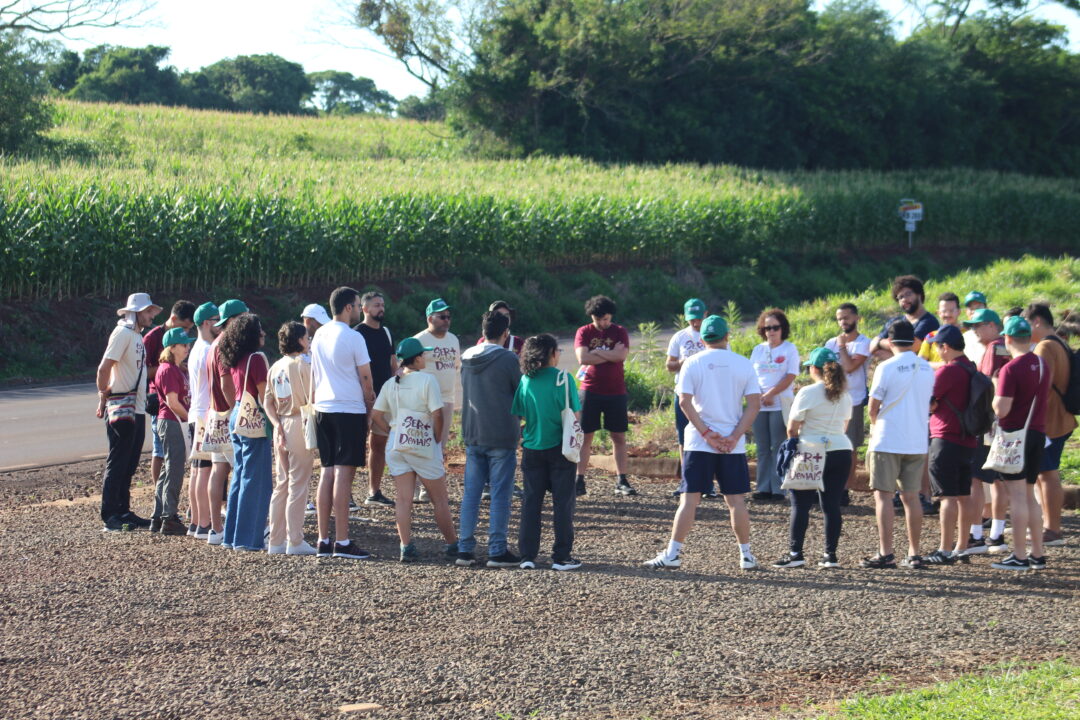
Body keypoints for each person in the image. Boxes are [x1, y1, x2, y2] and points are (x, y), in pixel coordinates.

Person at [644, 315, 762, 571]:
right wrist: (734, 436)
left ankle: (673, 553)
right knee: (736, 501)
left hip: (699, 442)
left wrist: (707, 434)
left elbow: (684, 402)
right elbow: (754, 405)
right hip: (732, 444)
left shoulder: (692, 362)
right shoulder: (743, 363)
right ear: (727, 336)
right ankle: (746, 555)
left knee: (689, 500)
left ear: (702, 339)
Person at [370, 338, 459, 562]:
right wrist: (437, 438)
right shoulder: (428, 380)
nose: (426, 357)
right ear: (417, 358)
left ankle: (406, 546)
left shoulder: (391, 383)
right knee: (440, 499)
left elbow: (376, 415)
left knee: (403, 499)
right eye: (423, 354)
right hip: (422, 442)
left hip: (397, 443)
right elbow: (437, 413)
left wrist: (391, 431)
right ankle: (452, 545)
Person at [860, 320, 935, 570]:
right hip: (917, 440)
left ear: (890, 342)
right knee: (912, 497)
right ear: (914, 341)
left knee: (883, 496)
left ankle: (886, 552)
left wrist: (875, 426)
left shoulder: (886, 367)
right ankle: (914, 553)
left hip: (888, 438)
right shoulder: (926, 368)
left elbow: (873, 407)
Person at [310, 287, 376, 560]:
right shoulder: (354, 337)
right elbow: (366, 378)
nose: (359, 309)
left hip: (323, 407)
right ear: (348, 307)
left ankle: (323, 539)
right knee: (343, 475)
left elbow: (314, 374)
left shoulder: (318, 335)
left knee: (326, 471)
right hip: (348, 408)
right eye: (358, 305)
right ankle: (343, 541)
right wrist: (370, 408)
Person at [772, 348, 852, 569]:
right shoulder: (845, 394)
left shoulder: (808, 392)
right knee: (831, 505)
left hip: (811, 449)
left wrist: (794, 445)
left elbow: (792, 427)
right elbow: (844, 426)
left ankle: (796, 553)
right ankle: (830, 555)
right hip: (841, 449)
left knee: (801, 504)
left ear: (814, 369)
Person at [458, 311, 523, 568]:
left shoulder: (466, 356)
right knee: (500, 494)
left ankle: (465, 549)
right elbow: (520, 393)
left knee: (471, 494)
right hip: (501, 432)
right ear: (506, 333)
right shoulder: (508, 358)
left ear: (482, 331)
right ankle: (497, 550)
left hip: (473, 432)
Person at [514, 334, 583, 570]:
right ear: (552, 353)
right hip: (561, 448)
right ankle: (561, 557)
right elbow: (575, 414)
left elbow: (520, 412)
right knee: (563, 503)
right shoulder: (563, 379)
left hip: (532, 447)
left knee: (531, 503)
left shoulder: (526, 379)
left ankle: (527, 556)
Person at [96, 293, 160, 532]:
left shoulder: (136, 335)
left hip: (137, 406)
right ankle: (110, 514)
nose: (151, 316)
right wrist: (103, 394)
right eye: (148, 312)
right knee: (118, 460)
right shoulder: (122, 333)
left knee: (130, 461)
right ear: (136, 312)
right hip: (123, 406)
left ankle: (123, 510)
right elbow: (104, 368)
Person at [990, 316, 1050, 571]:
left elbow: (1001, 409)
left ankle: (1019, 555)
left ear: (1007, 338)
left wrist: (995, 387)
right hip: (1037, 433)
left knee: (1016, 496)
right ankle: (1037, 553)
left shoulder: (1010, 369)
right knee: (1029, 494)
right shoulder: (1042, 363)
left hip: (1015, 436)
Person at [922, 326, 978, 565]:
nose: (937, 352)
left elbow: (927, 402)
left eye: (937, 347)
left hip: (945, 438)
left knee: (947, 497)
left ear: (945, 347)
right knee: (964, 495)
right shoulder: (971, 367)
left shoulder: (947, 371)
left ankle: (944, 550)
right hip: (968, 440)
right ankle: (961, 547)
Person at [217, 313, 273, 552]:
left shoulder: (237, 358)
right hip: (254, 417)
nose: (263, 333)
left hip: (238, 414)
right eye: (259, 329)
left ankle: (232, 535)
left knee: (240, 476)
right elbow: (265, 395)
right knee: (256, 479)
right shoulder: (256, 359)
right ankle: (248, 539)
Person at [574, 295, 636, 497]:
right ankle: (579, 479)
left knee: (618, 436)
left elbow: (621, 355)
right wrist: (609, 354)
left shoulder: (619, 331)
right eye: (598, 319)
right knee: (586, 436)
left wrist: (596, 353)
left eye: (606, 319)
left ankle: (622, 480)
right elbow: (582, 358)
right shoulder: (584, 331)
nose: (602, 323)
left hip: (616, 391)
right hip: (589, 390)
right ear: (592, 316)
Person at [1024, 302, 1076, 548]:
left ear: (1036, 322)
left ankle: (1053, 528)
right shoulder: (1060, 342)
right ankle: (1048, 524)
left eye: (1027, 324)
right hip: (1059, 417)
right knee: (1045, 473)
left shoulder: (1045, 346)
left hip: (1049, 420)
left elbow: (1040, 385)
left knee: (1048, 474)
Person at [264, 322, 318, 556]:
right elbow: (314, 395)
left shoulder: (275, 367)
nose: (309, 342)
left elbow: (267, 402)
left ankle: (276, 540)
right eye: (306, 338)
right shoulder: (303, 365)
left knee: (282, 483)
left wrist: (276, 425)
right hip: (300, 421)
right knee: (298, 483)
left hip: (281, 424)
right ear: (299, 340)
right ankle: (295, 540)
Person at [957, 307, 1006, 556]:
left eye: (978, 325)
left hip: (988, 423)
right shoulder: (1007, 346)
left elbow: (986, 388)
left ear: (992, 325)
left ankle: (976, 534)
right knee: (998, 479)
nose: (974, 330)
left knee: (977, 478)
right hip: (1007, 423)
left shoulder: (994, 349)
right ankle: (997, 533)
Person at [204, 298, 248, 546]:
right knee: (243, 470)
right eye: (243, 317)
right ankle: (243, 526)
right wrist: (236, 411)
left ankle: (216, 528)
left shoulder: (214, 343)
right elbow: (226, 382)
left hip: (215, 414)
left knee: (219, 470)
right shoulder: (226, 343)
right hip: (226, 413)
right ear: (232, 320)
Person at [142, 300, 196, 497]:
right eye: (183, 327)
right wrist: (170, 365)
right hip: (159, 400)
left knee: (176, 454)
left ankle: (166, 498)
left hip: (180, 400)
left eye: (189, 329)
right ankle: (161, 498)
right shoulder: (152, 338)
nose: (186, 332)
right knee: (160, 451)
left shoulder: (182, 341)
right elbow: (141, 371)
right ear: (173, 319)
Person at [413, 298, 461, 502]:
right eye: (442, 316)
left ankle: (429, 489)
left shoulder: (453, 339)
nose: (446, 320)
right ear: (430, 318)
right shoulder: (419, 340)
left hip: (447, 400)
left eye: (448, 316)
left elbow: (456, 365)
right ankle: (414, 487)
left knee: (439, 446)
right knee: (420, 444)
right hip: (424, 401)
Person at [749, 308, 799, 501]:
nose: (771, 331)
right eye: (767, 328)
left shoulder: (789, 349)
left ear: (782, 328)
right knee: (762, 448)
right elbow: (751, 375)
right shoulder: (758, 350)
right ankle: (763, 487)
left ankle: (779, 488)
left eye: (775, 327)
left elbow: (791, 375)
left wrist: (771, 393)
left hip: (780, 404)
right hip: (759, 404)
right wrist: (760, 395)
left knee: (779, 446)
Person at [354, 291, 397, 508]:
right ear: (365, 308)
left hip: (385, 399)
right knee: (355, 447)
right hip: (360, 400)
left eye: (382, 304)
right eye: (376, 305)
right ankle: (346, 495)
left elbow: (393, 364)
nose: (381, 308)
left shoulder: (386, 333)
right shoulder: (356, 334)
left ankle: (374, 492)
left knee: (378, 445)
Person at [152, 327, 196, 536]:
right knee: (174, 470)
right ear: (172, 347)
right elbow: (172, 402)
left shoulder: (176, 368)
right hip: (172, 421)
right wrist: (190, 420)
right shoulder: (168, 369)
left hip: (172, 421)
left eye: (188, 344)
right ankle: (169, 517)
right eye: (183, 344)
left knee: (168, 469)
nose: (187, 347)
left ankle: (158, 515)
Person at [824, 303, 870, 500]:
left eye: (846, 317)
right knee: (829, 444)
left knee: (850, 447)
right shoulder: (830, 343)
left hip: (853, 401)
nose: (843, 322)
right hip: (831, 400)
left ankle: (845, 489)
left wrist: (842, 347)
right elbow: (824, 369)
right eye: (839, 319)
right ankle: (827, 485)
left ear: (857, 318)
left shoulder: (863, 343)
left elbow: (850, 367)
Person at [186, 301, 219, 539]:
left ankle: (197, 521)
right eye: (217, 320)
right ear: (207, 323)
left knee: (197, 470)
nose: (220, 325)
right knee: (204, 470)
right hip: (204, 414)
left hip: (195, 412)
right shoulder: (207, 349)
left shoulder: (197, 348)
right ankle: (204, 522)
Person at [869, 275, 939, 360]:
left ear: (919, 294)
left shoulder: (929, 322)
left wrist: (880, 344)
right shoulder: (895, 321)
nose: (904, 300)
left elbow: (911, 347)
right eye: (900, 297)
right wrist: (879, 343)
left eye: (908, 294)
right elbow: (872, 347)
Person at [919, 293, 963, 368]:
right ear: (938, 313)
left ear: (959, 312)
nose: (947, 314)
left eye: (951, 311)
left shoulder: (967, 334)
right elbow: (919, 363)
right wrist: (944, 365)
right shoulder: (931, 336)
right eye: (944, 311)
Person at [962, 291, 989, 365]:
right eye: (971, 308)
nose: (974, 312)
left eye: (978, 308)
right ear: (966, 312)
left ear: (987, 309)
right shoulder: (964, 337)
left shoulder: (995, 333)